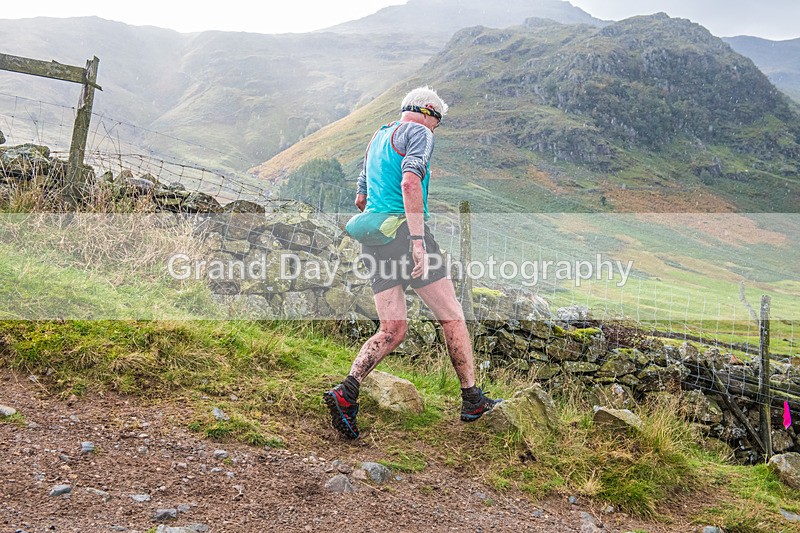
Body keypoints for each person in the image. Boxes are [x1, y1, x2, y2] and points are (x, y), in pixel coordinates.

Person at [323, 86, 500, 439]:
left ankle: (347, 393)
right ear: (428, 112)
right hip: (405, 232)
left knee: (392, 329)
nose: (435, 130)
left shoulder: (379, 137)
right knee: (452, 315)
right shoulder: (418, 132)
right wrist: (417, 241)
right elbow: (409, 182)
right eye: (438, 123)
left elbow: (362, 197)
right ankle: (472, 400)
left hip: (375, 238)